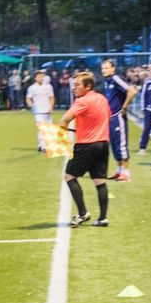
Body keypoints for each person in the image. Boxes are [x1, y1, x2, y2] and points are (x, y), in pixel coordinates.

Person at [58, 72, 112, 228]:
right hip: (103, 144)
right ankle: (103, 218)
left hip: (87, 145)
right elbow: (106, 117)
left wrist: (63, 131)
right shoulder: (102, 99)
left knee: (69, 176)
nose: (74, 88)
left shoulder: (82, 101)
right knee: (99, 181)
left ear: (88, 86)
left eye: (77, 85)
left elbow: (65, 120)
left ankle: (83, 213)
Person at [101, 59, 137, 181]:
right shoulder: (107, 81)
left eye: (106, 68)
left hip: (118, 116)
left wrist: (125, 106)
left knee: (121, 145)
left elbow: (132, 91)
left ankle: (126, 173)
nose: (104, 70)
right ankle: (119, 171)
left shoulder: (116, 79)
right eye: (103, 68)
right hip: (110, 118)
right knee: (115, 145)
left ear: (113, 69)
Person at [26, 70, 55, 152]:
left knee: (48, 129)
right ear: (35, 78)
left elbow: (51, 97)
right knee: (42, 129)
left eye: (42, 76)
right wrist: (32, 106)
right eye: (39, 76)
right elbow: (28, 98)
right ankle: (43, 146)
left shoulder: (48, 87)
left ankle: (41, 145)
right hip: (38, 111)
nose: (41, 78)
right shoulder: (32, 88)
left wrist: (51, 107)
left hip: (47, 110)